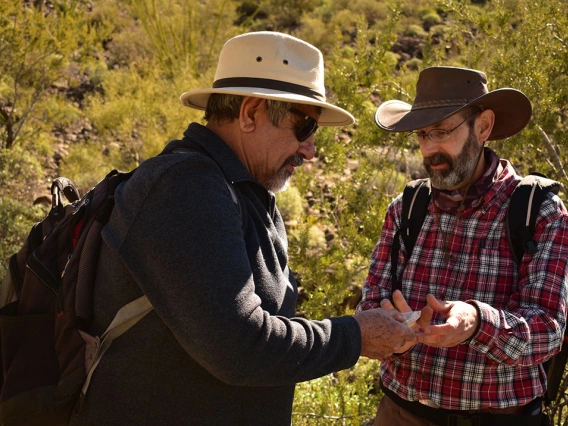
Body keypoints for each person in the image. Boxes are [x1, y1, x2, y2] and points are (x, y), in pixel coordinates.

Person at [70, 31, 415, 426]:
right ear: (249, 113)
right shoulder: (185, 187)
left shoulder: (243, 190)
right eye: (304, 127)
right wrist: (355, 336)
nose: (310, 150)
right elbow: (238, 346)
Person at [358, 66, 568, 426]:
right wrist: (391, 329)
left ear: (483, 127)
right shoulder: (406, 208)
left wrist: (476, 324)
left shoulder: (539, 212)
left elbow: (548, 331)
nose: (429, 149)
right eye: (422, 134)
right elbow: (370, 301)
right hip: (399, 414)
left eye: (441, 131)